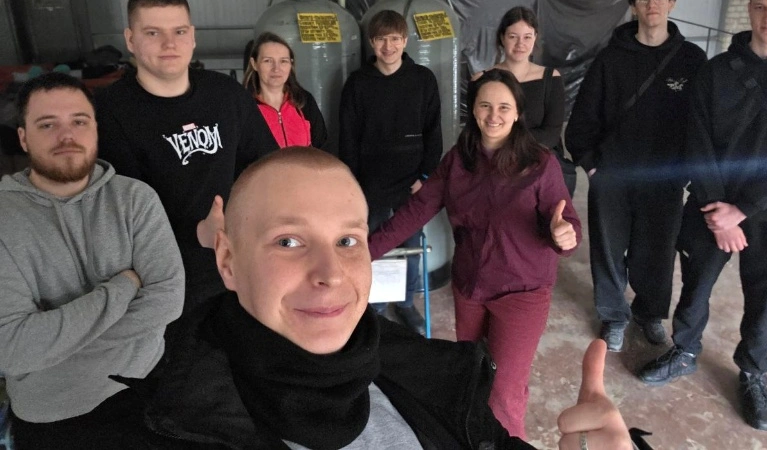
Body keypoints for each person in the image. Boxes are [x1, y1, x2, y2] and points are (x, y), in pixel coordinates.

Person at [128, 147, 633, 450]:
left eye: (347, 241)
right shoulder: (149, 429)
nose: (330, 274)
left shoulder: (433, 379)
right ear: (227, 261)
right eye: (289, 241)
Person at [637, 0, 767, 432]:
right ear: (749, 8)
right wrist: (718, 208)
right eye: (760, 6)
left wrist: (743, 211)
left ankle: (753, 372)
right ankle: (685, 350)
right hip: (711, 202)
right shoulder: (717, 71)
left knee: (765, 296)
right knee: (695, 282)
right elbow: (697, 140)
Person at [370, 69, 582, 439]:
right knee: (470, 374)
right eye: (485, 105)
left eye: (504, 107)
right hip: (470, 286)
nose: (493, 115)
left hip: (522, 291)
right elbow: (416, 210)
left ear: (517, 113)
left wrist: (565, 235)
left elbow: (567, 223)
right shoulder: (458, 160)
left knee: (504, 393)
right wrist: (366, 251)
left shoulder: (539, 163)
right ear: (473, 110)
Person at [0, 72, 185, 449]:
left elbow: (168, 299)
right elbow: (14, 348)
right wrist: (123, 288)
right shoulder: (4, 218)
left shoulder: (136, 199)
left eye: (79, 121)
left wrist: (53, 346)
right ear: (23, 137)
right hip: (53, 415)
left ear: (95, 129)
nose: (66, 136)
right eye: (47, 124)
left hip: (146, 390)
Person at [95, 0, 278, 311]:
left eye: (179, 31)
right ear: (130, 40)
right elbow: (117, 217)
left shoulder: (226, 94)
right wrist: (198, 234)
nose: (169, 43)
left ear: (192, 36)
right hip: (164, 283)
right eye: (153, 33)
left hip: (240, 269)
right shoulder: (109, 112)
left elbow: (267, 167)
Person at [565, 0, 706, 353]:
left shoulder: (692, 60)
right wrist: (593, 166)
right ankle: (613, 315)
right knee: (608, 250)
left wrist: (688, 172)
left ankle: (649, 313)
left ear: (672, 3)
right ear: (633, 6)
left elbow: (704, 122)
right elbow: (581, 120)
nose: (652, 4)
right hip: (613, 175)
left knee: (657, 252)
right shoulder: (610, 59)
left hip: (664, 180)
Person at [339, 9, 442, 334]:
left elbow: (434, 133)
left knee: (411, 248)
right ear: (372, 42)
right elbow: (348, 138)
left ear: (405, 40)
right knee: (371, 248)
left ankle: (406, 303)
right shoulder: (357, 84)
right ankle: (375, 307)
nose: (388, 46)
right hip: (370, 187)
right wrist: (354, 185)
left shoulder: (423, 80)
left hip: (410, 186)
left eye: (395, 38)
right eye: (381, 39)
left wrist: (424, 178)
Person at [473, 6, 574, 193]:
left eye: (527, 37)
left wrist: (512, 150)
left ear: (535, 38)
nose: (520, 44)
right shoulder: (481, 80)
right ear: (502, 38)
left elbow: (551, 133)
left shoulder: (551, 78)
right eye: (513, 36)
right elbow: (476, 129)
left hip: (539, 159)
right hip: (493, 161)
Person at [243, 32, 328, 149]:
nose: (276, 69)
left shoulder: (304, 101)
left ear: (291, 64)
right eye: (268, 61)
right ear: (254, 64)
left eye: (283, 61)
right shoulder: (244, 107)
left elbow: (322, 148)